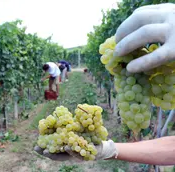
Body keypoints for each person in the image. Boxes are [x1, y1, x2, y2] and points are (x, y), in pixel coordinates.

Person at [35, 3, 175, 165]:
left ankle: (57, 89)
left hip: (60, 71)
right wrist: (109, 149)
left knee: (56, 81)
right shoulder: (49, 68)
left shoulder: (56, 67)